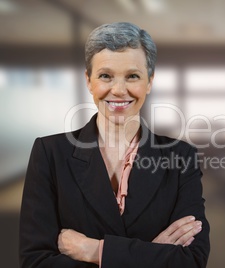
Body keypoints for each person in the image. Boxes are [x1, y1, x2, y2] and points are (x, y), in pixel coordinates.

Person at [19, 22, 210, 267]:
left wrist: (96, 250)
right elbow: (35, 262)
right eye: (105, 76)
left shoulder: (182, 156)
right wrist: (151, 255)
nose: (119, 90)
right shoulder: (50, 154)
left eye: (132, 76)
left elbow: (192, 261)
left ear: (149, 82)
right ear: (88, 81)